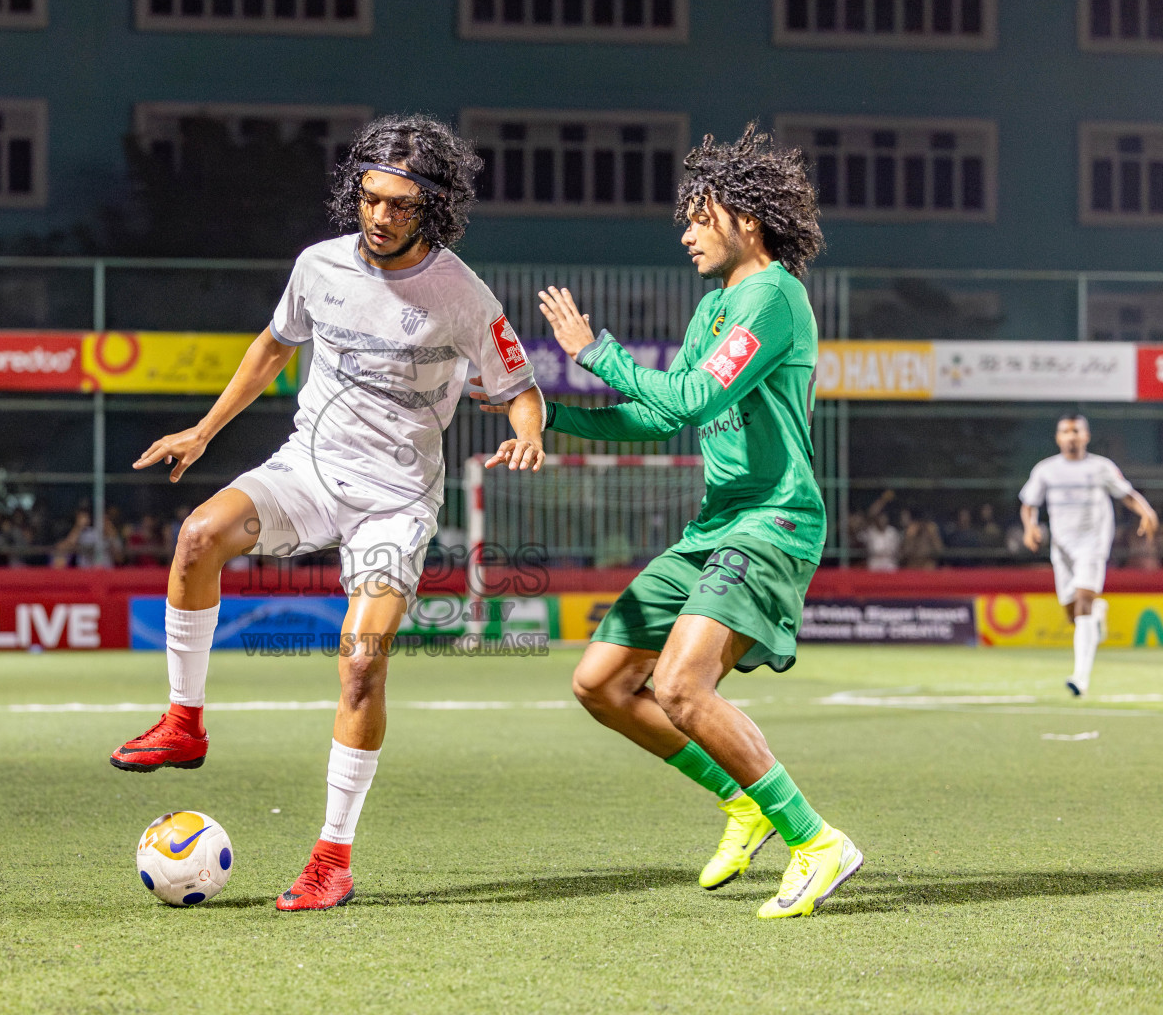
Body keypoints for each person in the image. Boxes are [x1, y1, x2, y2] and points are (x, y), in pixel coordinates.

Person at [107, 115, 545, 911]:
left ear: (433, 208)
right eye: (371, 198)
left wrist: (528, 436)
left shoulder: (462, 295)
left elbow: (520, 389)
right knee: (198, 535)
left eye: (401, 205)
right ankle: (183, 721)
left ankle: (331, 859)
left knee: (361, 659)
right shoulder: (318, 266)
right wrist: (204, 432)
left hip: (396, 499)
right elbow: (273, 346)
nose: (381, 216)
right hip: (307, 467)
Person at [478, 124, 861, 919]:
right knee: (602, 682)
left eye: (698, 217)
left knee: (682, 685)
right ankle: (745, 801)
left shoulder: (774, 297)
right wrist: (549, 421)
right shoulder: (715, 306)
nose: (686, 234)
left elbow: (695, 401)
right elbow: (660, 421)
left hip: (772, 521)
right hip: (716, 525)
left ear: (745, 220)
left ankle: (817, 841)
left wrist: (594, 351)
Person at [1019, 415, 1158, 697]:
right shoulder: (1046, 470)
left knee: (1082, 603)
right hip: (1062, 548)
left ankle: (1080, 678)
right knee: (1072, 612)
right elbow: (1029, 504)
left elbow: (1126, 493)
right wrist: (1029, 527)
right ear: (1058, 438)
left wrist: (1146, 511)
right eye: (1065, 432)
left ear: (1086, 436)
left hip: (1092, 545)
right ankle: (1096, 616)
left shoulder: (1100, 467)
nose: (1071, 436)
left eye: (1076, 431)